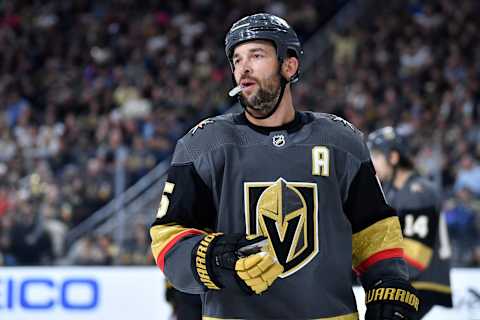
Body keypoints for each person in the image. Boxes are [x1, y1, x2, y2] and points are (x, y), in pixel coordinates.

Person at [150, 13, 420, 319]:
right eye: (237, 60)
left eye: (257, 55)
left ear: (289, 66)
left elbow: (374, 230)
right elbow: (167, 237)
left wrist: (389, 283)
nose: (244, 69)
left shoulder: (342, 142)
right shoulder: (202, 145)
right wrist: (213, 258)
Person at [367, 127, 453, 318]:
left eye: (377, 156)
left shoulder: (417, 192)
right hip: (408, 282)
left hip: (424, 284)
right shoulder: (394, 191)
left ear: (394, 158)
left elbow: (415, 259)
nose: (373, 163)